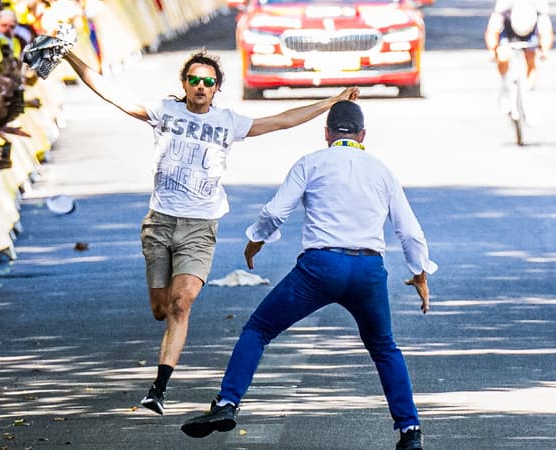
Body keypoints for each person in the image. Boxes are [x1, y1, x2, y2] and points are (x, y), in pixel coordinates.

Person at [62, 48, 359, 415]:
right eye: (194, 80)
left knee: (181, 303)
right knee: (160, 309)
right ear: (184, 85)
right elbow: (112, 93)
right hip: (159, 223)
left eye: (209, 82)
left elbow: (282, 120)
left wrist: (332, 100)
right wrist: (70, 58)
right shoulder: (164, 113)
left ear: (217, 88)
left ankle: (159, 388)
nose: (201, 87)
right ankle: (163, 353)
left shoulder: (227, 122)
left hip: (200, 227)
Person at [180, 101, 437, 450]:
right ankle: (410, 431)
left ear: (327, 133)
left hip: (320, 268)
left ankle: (227, 403)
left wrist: (255, 241)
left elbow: (276, 211)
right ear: (362, 136)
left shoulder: (311, 162)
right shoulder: (381, 170)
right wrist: (419, 274)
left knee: (258, 330)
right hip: (367, 270)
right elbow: (409, 231)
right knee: (384, 348)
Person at [485, 0, 553, 96]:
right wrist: (492, 49)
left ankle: (528, 91)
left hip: (531, 30)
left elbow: (546, 30)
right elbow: (493, 28)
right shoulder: (505, 4)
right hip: (508, 30)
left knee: (530, 57)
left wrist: (545, 49)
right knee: (502, 56)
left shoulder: (539, 4)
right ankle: (505, 84)